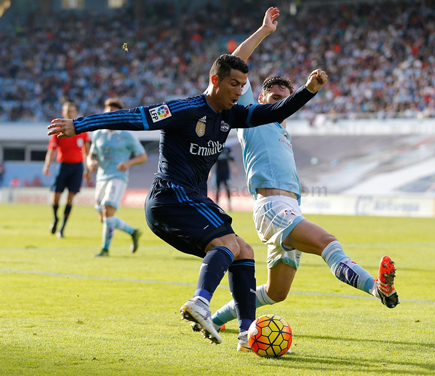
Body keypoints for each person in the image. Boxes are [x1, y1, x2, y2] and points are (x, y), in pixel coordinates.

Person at [47, 52, 328, 349]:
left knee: (243, 251)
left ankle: (247, 333)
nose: (237, 91)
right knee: (227, 245)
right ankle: (200, 302)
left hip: (189, 200)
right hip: (170, 197)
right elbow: (135, 117)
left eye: (242, 85)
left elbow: (271, 112)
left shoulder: (230, 115)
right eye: (233, 84)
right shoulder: (183, 109)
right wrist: (79, 125)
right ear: (215, 80)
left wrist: (308, 91)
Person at [210, 8, 399, 334]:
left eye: (286, 98)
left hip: (289, 208)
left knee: (275, 293)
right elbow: (234, 60)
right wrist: (264, 32)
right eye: (275, 96)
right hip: (272, 207)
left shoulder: (283, 132)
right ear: (260, 98)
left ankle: (215, 320)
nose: (281, 102)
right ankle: (376, 288)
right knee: (329, 243)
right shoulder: (252, 118)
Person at [87, 98, 148, 257]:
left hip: (118, 177)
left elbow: (142, 156)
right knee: (104, 218)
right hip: (101, 178)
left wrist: (128, 163)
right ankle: (133, 232)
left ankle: (105, 250)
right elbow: (91, 155)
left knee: (108, 210)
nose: (110, 117)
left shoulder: (127, 134)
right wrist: (91, 162)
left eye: (114, 114)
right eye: (108, 114)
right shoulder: (98, 133)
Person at [43, 101, 91, 238]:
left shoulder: (81, 130)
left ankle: (62, 227)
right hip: (62, 166)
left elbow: (86, 152)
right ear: (63, 112)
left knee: (70, 198)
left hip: (77, 167)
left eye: (72, 110)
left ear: (75, 112)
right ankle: (55, 218)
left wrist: (87, 169)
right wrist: (47, 164)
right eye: (67, 110)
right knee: (55, 197)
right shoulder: (58, 128)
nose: (69, 112)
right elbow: (51, 150)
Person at [213, 145, 238, 211]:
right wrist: (210, 172)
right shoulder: (216, 149)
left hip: (226, 173)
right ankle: (217, 205)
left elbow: (232, 160)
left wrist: (234, 169)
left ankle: (229, 205)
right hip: (218, 173)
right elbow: (212, 162)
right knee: (217, 189)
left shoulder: (227, 149)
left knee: (227, 188)